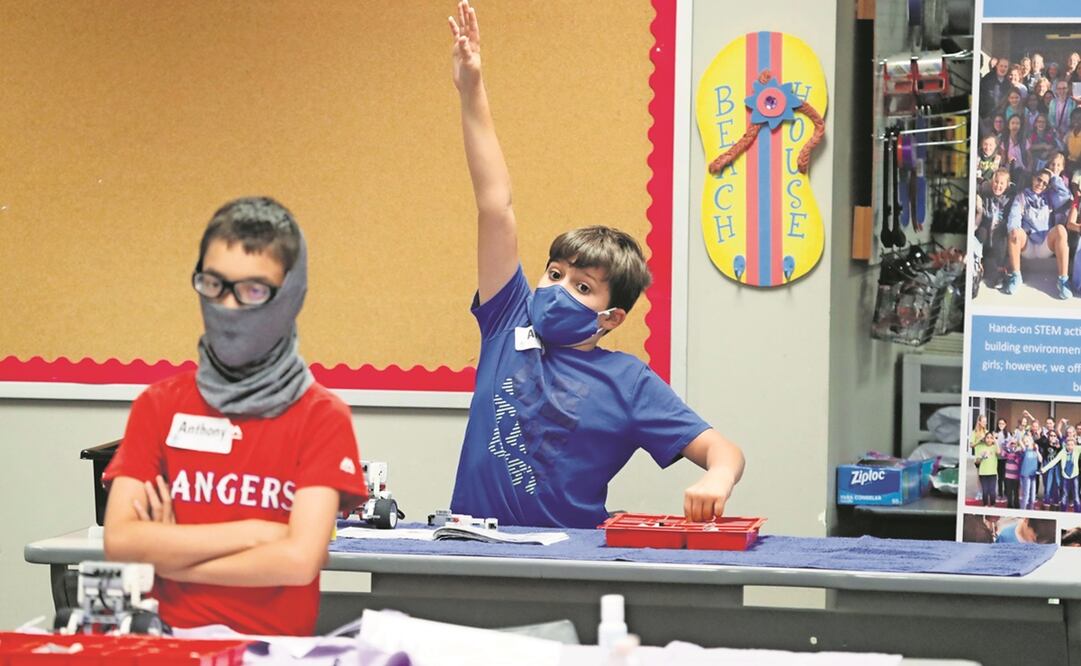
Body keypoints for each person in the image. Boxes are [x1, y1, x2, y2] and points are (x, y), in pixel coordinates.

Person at [445, 0, 744, 529]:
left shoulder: (627, 381)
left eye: (583, 287)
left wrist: (716, 478)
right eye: (555, 274)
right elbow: (496, 206)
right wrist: (472, 89)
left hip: (569, 558)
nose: (558, 290)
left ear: (612, 317)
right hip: (470, 544)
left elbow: (722, 450)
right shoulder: (507, 320)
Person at [102, 198, 367, 635]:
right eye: (214, 284)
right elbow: (122, 542)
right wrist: (259, 532)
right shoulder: (159, 404)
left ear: (291, 295)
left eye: (253, 290)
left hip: (272, 652)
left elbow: (300, 561)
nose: (228, 305)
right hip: (170, 647)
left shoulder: (321, 416)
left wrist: (173, 562)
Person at [1005, 169, 1070, 299]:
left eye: (1045, 183)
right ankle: (1016, 277)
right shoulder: (1021, 196)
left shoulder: (1050, 196)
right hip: (1027, 246)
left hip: (1044, 246)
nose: (1041, 184)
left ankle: (1063, 281)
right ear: (1033, 178)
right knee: (1014, 231)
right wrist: (1015, 230)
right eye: (1039, 180)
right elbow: (1014, 218)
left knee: (1061, 230)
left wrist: (1053, 177)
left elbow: (1065, 195)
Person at [975, 168, 1014, 285]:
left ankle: (1000, 271)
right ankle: (979, 263)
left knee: (1001, 237)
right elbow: (977, 186)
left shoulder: (1009, 199)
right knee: (980, 233)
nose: (998, 186)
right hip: (986, 232)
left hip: (999, 236)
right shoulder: (986, 194)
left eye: (1002, 183)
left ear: (1007, 185)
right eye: (996, 182)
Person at [974, 431, 999, 508]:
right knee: (985, 491)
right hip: (983, 473)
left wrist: (995, 441)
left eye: (991, 438)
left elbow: (999, 452)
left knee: (992, 491)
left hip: (992, 473)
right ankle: (985, 505)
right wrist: (981, 457)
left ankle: (992, 505)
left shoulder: (994, 447)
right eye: (987, 438)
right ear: (985, 439)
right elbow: (977, 462)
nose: (989, 439)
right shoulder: (981, 447)